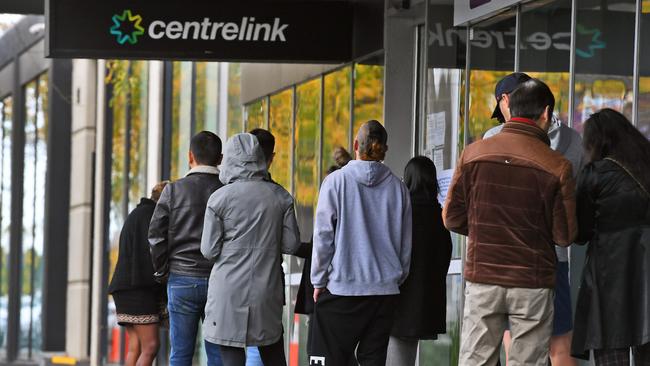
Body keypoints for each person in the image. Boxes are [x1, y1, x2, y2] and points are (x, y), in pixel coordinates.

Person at [444, 78, 577, 365]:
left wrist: (483, 231)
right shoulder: (557, 166)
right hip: (533, 279)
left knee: (476, 360)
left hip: (483, 276)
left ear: (509, 107)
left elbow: (451, 217)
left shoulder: (473, 154)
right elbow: (565, 235)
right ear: (545, 114)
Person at [484, 73, 583, 366]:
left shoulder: (494, 139)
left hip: (503, 258)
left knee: (513, 343)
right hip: (553, 256)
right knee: (560, 345)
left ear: (506, 100)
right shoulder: (573, 141)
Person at [308, 120, 412, 365]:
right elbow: (405, 244)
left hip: (344, 287)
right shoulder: (398, 188)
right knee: (373, 358)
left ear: (356, 145)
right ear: (384, 149)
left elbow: (324, 236)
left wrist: (318, 280)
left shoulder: (335, 183)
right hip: (384, 291)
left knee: (328, 356)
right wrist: (396, 278)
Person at [200, 133, 301, 366]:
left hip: (228, 290)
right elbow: (291, 244)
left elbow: (209, 250)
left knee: (231, 353)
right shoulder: (280, 197)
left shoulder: (218, 199)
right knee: (273, 352)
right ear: (259, 158)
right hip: (266, 289)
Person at [571, 108, 650, 365]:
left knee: (609, 348)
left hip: (608, 276)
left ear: (597, 142)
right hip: (647, 275)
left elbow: (580, 233)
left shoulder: (595, 174)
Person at [148, 131, 224, 366]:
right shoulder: (227, 190)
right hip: (219, 280)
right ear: (220, 158)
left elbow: (156, 235)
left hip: (181, 279)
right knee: (217, 355)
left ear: (190, 156)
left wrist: (162, 271)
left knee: (180, 355)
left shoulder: (173, 190)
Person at [386, 156, 452, 366]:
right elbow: (445, 256)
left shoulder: (402, 213)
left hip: (399, 300)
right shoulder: (440, 216)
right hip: (426, 303)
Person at [108, 181, 169, 366]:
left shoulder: (138, 213)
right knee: (150, 346)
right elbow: (152, 256)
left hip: (124, 289)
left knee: (136, 347)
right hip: (138, 289)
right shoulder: (151, 216)